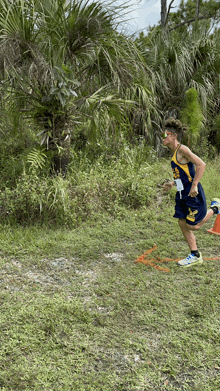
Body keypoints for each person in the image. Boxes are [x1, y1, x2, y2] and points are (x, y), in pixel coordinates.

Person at [161, 118, 220, 267]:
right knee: (182, 223)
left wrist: (194, 185)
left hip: (192, 194)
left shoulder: (183, 150)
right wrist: (172, 183)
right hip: (181, 194)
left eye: (165, 135)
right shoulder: (174, 153)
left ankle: (215, 209)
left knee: (194, 226)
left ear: (173, 136)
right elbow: (183, 175)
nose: (163, 138)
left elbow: (201, 164)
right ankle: (195, 255)